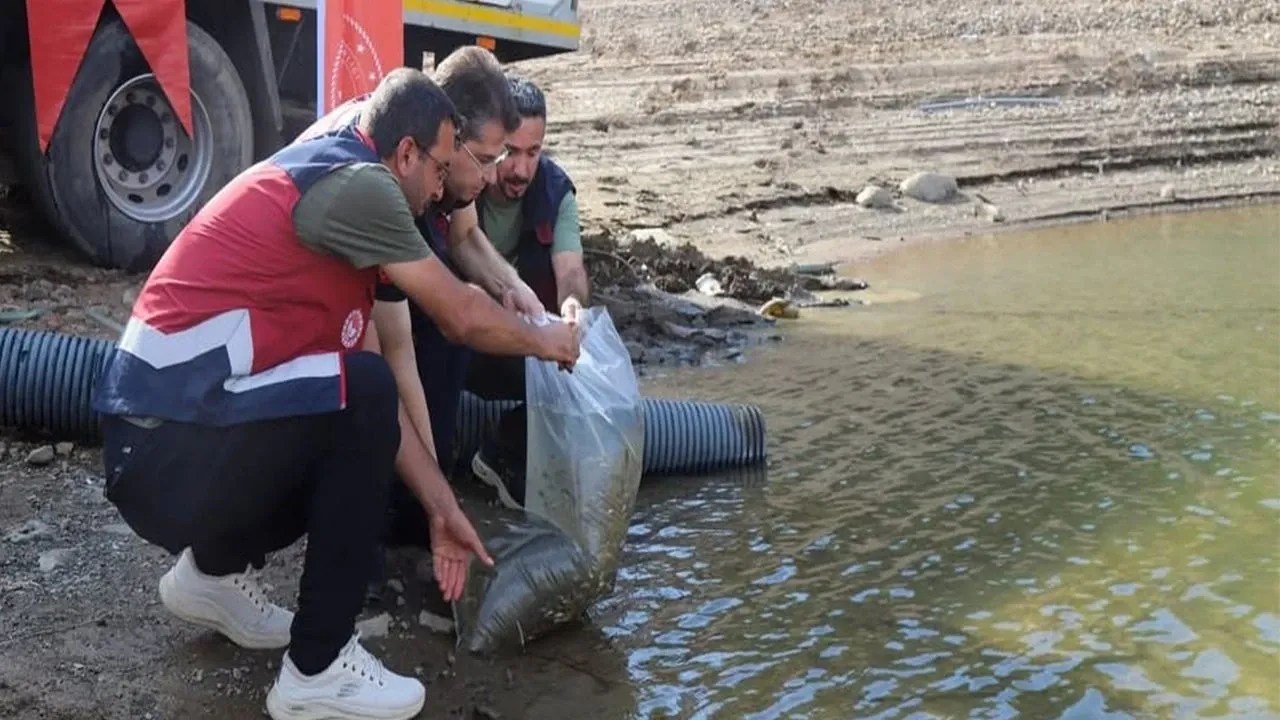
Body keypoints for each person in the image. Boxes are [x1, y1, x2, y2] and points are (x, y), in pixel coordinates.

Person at [93, 68, 579, 720]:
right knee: (364, 395)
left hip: (166, 440)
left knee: (357, 398)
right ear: (406, 154)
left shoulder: (352, 188)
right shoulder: (363, 187)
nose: (444, 191)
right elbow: (458, 316)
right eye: (441, 170)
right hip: (163, 446)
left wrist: (440, 506)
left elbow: (369, 395)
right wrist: (549, 341)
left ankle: (210, 576)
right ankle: (317, 667)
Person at [453, 74, 591, 510]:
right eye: (509, 152)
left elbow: (571, 271)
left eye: (534, 153)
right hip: (452, 335)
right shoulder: (462, 180)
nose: (521, 170)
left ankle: (502, 453)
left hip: (519, 344)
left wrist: (572, 309)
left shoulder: (554, 192)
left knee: (580, 374)